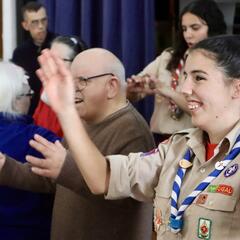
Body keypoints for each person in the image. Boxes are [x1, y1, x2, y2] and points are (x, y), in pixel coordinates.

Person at [23, 34, 240, 239]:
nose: (184, 88)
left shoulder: (132, 128)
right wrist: (66, 110)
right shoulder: (177, 148)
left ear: (237, 88)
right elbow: (103, 178)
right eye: (184, 76)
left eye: (199, 78)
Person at [0, 49, 155, 240]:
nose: (73, 89)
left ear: (112, 86)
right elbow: (54, 177)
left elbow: (123, 198)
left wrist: (66, 167)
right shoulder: (84, 122)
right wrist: (5, 167)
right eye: (71, 82)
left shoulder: (132, 130)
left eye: (82, 81)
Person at [127, 0, 227, 144]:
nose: (188, 35)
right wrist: (132, 90)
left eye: (195, 28)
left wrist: (166, 90)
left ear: (213, 28)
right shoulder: (168, 56)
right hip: (159, 139)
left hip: (195, 141)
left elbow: (209, 109)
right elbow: (132, 95)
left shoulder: (220, 63)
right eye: (184, 29)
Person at [0, 62, 60, 240]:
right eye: (29, 94)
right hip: (32, 231)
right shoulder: (38, 138)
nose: (31, 99)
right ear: (15, 99)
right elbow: (78, 170)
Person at [33, 35, 87, 137]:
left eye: (57, 61)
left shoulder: (82, 96)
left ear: (75, 63)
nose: (51, 64)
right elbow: (37, 125)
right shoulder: (47, 87)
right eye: (50, 59)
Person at [12, 1, 56, 116]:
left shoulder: (58, 45)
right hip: (31, 112)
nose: (41, 26)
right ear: (25, 25)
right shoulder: (20, 53)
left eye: (43, 20)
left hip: (55, 110)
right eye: (35, 22)